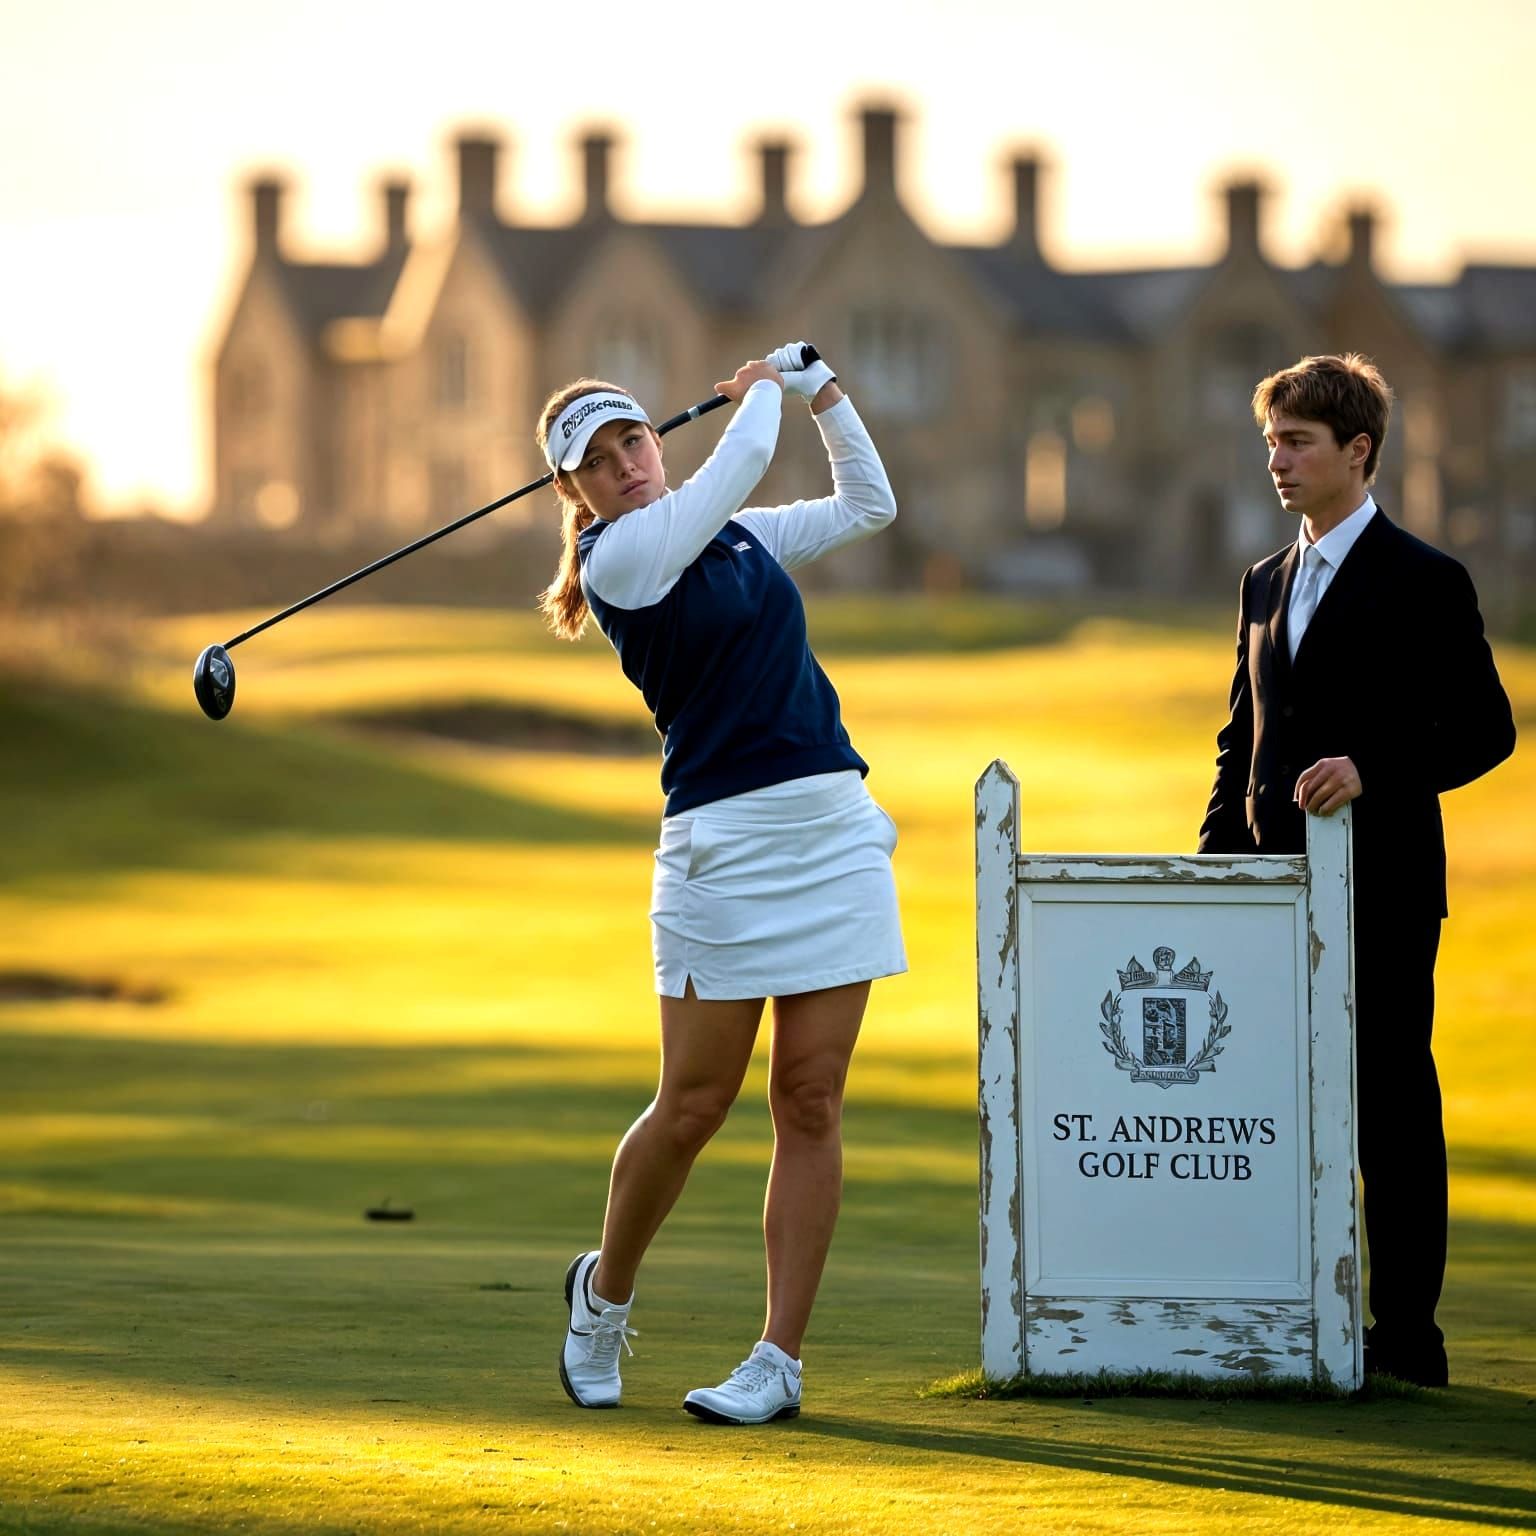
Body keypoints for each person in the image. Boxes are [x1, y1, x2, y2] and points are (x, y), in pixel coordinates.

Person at [534, 343, 904, 1424]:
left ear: (658, 439)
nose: (626, 465)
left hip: (831, 831)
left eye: (635, 440)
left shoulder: (737, 536)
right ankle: (603, 1297)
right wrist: (761, 395)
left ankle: (777, 1362)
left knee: (811, 1099)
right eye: (598, 462)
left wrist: (826, 394)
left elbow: (867, 504)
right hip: (722, 851)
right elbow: (733, 470)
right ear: (574, 493)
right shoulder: (620, 565)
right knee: (694, 1105)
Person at [1197, 352, 1515, 1387]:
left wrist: (1372, 770)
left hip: (1382, 891)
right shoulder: (1260, 582)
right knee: (1269, 1108)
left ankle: (1409, 1339)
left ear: (1358, 451)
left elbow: (1486, 730)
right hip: (1268, 903)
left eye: (1298, 442)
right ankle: (1287, 1313)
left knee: (1390, 1108)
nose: (1278, 461)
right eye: (1272, 442)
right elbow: (1239, 741)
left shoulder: (1429, 580)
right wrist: (1210, 880)